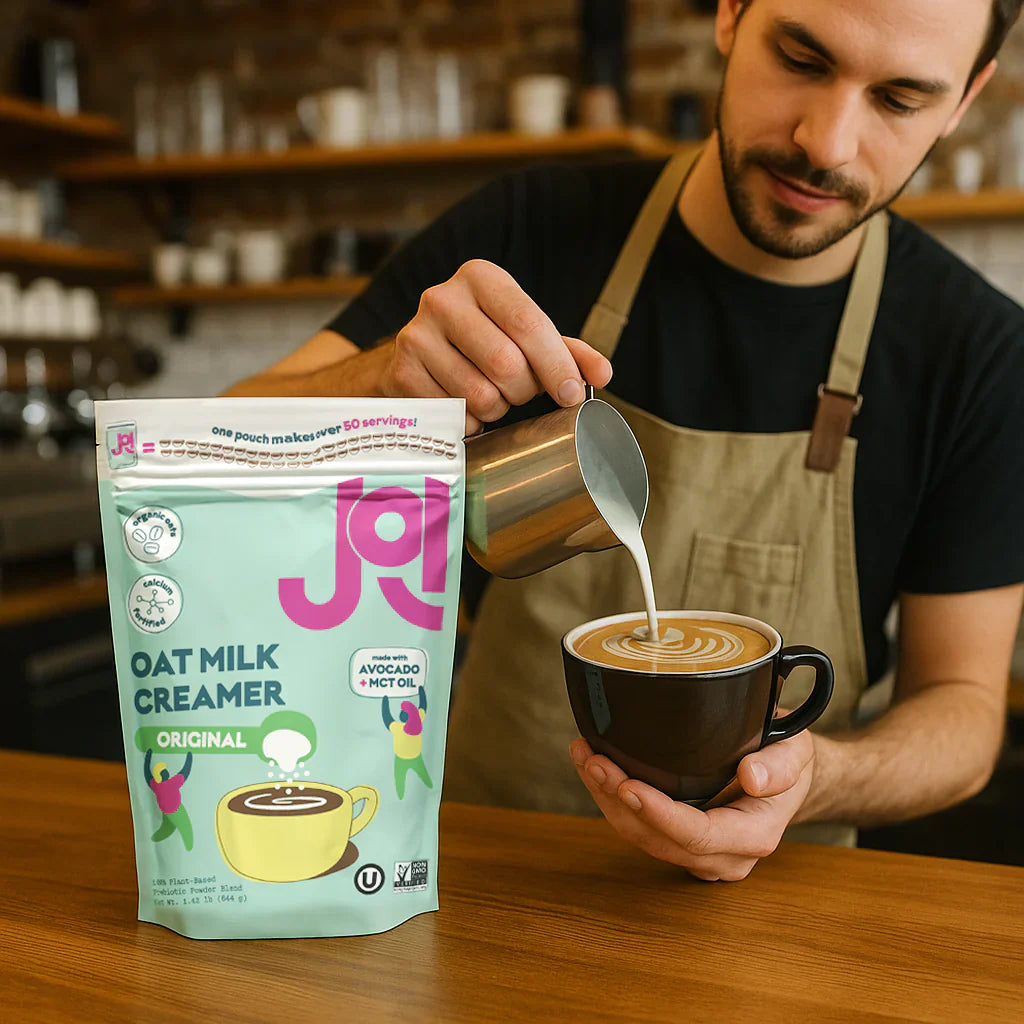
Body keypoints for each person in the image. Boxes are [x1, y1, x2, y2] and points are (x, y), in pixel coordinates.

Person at [228, 0, 1024, 880]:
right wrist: (380, 379)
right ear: (729, 15)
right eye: (800, 58)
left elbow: (963, 712)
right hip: (480, 874)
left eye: (901, 99)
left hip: (775, 917)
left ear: (966, 99)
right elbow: (208, 445)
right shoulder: (528, 230)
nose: (826, 142)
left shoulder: (980, 355)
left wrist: (819, 775)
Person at [382, 686, 433, 799]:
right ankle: (430, 787)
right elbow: (423, 705)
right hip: (416, 757)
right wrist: (421, 691)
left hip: (401, 759)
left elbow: (387, 717)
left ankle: (400, 797)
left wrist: (385, 701)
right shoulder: (418, 721)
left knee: (399, 779)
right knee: (424, 775)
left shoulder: (398, 727)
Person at [144, 749, 193, 851]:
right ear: (162, 775)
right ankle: (190, 847)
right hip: (177, 809)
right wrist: (189, 758)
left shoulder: (155, 785)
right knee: (185, 828)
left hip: (165, 810)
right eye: (164, 771)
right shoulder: (172, 783)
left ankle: (157, 837)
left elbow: (147, 774)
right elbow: (185, 772)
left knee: (167, 826)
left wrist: (147, 759)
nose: (166, 771)